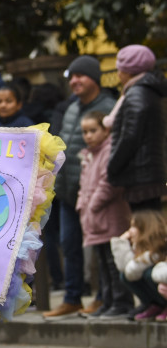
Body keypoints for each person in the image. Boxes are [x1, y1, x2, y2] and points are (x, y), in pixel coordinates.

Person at [43, 56, 116, 319]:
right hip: (67, 192)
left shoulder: (108, 108)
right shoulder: (72, 107)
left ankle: (102, 298)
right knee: (69, 244)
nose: (74, 81)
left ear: (94, 78)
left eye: (80, 75)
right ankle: (72, 298)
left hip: (96, 193)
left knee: (101, 248)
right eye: (71, 76)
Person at [75, 111, 133, 319]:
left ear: (106, 130)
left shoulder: (109, 151)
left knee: (114, 262)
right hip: (94, 218)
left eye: (93, 130)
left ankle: (121, 301)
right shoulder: (89, 154)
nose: (88, 135)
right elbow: (83, 183)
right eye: (84, 132)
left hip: (110, 217)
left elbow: (108, 182)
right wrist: (82, 204)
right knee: (102, 264)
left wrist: (92, 205)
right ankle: (108, 301)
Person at [104, 45, 167, 212]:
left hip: (140, 174)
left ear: (128, 71)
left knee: (146, 224)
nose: (118, 74)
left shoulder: (137, 93)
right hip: (149, 171)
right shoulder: (150, 91)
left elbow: (130, 137)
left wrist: (113, 166)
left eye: (119, 69)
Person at [111, 210, 167, 321]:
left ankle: (162, 304)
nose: (129, 231)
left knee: (148, 274)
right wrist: (121, 243)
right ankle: (154, 305)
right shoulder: (139, 248)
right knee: (124, 276)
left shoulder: (155, 252)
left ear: (146, 228)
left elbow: (130, 272)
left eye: (133, 226)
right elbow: (124, 270)